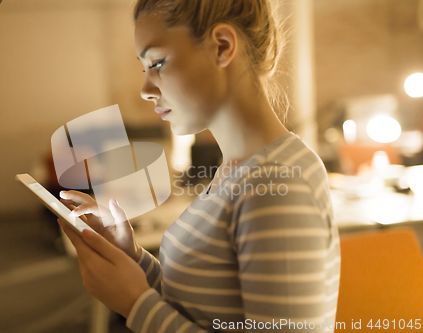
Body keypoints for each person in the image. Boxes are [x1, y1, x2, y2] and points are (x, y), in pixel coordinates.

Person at [58, 0, 341, 332]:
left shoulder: (277, 183)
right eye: (144, 68)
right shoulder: (240, 169)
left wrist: (135, 304)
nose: (146, 90)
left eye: (158, 63)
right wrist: (132, 256)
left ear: (222, 46)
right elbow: (202, 306)